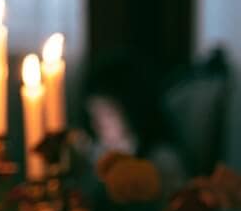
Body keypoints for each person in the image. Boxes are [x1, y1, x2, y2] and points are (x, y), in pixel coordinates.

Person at [74, 54, 187, 198]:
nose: (98, 125)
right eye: (93, 115)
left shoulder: (162, 161)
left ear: (132, 111)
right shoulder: (95, 153)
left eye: (108, 115)